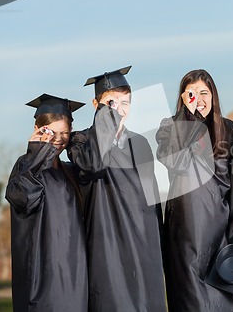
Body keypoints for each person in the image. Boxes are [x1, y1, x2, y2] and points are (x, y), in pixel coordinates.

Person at [156, 69, 233, 311]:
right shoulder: (170, 127)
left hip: (222, 231)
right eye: (191, 94)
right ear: (182, 99)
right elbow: (173, 160)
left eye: (204, 92)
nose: (198, 99)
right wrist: (187, 118)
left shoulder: (230, 130)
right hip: (186, 235)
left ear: (213, 96)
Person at [67, 66, 166, 312]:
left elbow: (151, 197)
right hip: (107, 240)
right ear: (96, 104)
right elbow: (94, 165)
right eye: (110, 102)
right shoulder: (80, 141)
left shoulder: (140, 143)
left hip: (142, 240)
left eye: (125, 102)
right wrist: (107, 121)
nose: (119, 108)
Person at [5, 94, 87, 312]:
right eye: (52, 132)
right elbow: (23, 200)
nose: (59, 139)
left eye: (65, 133)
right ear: (38, 129)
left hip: (75, 271)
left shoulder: (71, 170)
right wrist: (36, 154)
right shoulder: (25, 167)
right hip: (43, 274)